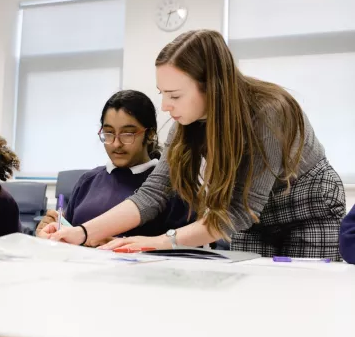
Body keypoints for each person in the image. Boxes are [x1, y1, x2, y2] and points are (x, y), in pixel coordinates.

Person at [41, 29, 345, 259]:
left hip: (306, 206)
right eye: (163, 93)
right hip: (253, 217)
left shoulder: (269, 113)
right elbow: (151, 195)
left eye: (174, 95)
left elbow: (239, 211)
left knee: (301, 298)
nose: (165, 107)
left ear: (212, 87)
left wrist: (160, 241)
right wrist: (81, 233)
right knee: (253, 298)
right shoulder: (185, 125)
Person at [36, 90, 192, 246]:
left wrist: (124, 246)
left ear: (150, 134)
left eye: (128, 134)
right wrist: (52, 231)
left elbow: (185, 246)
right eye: (109, 133)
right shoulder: (88, 181)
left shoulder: (171, 187)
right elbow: (67, 237)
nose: (116, 144)